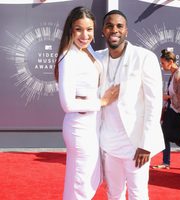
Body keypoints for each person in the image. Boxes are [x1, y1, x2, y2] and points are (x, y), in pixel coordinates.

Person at [97, 10, 165, 200]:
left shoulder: (144, 57)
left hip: (136, 145)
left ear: (126, 30)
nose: (114, 30)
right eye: (109, 26)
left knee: (138, 194)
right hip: (109, 144)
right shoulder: (97, 59)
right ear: (103, 31)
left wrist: (146, 144)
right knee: (113, 193)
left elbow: (153, 103)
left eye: (119, 26)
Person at [54, 7, 119, 200]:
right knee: (81, 182)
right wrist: (102, 101)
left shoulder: (87, 49)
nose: (85, 35)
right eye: (79, 29)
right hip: (79, 126)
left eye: (89, 29)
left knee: (86, 179)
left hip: (93, 124)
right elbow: (67, 104)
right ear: (70, 30)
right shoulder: (68, 57)